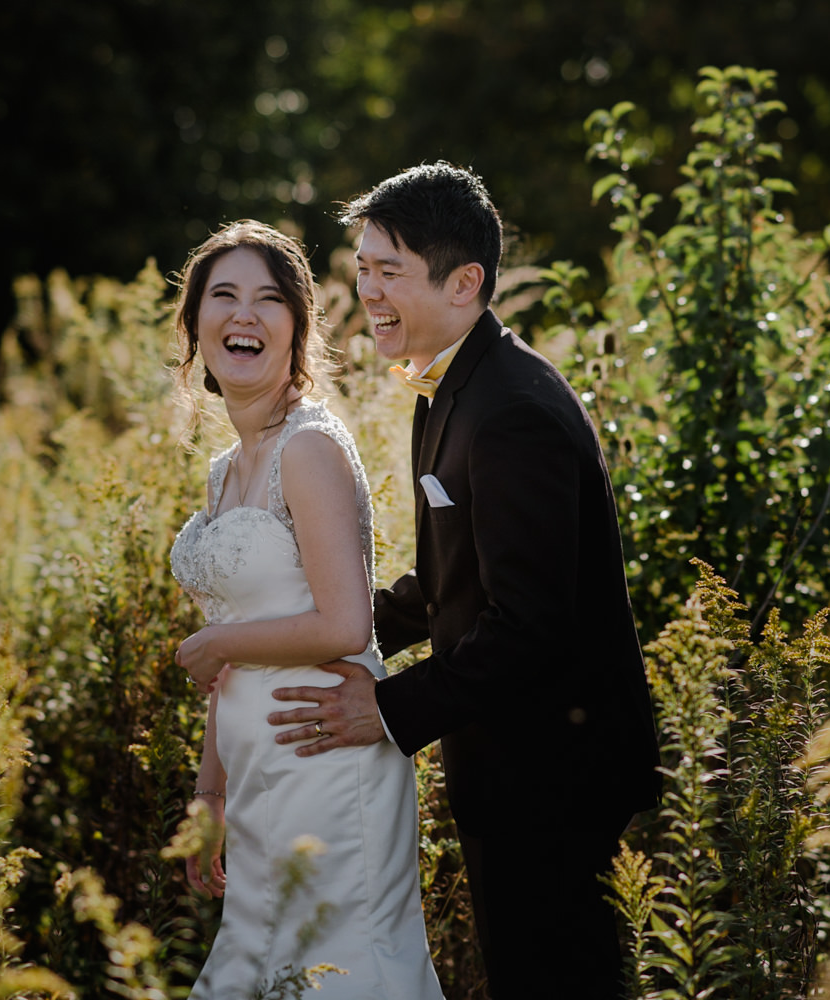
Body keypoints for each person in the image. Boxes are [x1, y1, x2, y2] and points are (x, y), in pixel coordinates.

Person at [265, 163, 662, 997]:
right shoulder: (450, 385)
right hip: (510, 765)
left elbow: (530, 623)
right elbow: (456, 580)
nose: (366, 291)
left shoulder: (513, 408)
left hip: (557, 774)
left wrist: (386, 708)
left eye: (389, 272)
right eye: (362, 267)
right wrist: (342, 621)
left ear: (465, 281)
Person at [168, 220, 446, 1000]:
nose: (243, 316)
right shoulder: (224, 471)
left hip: (328, 761)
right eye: (223, 297)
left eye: (267, 300)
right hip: (254, 774)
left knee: (336, 974)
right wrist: (210, 794)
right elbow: (232, 665)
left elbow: (345, 625)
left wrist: (219, 640)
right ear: (196, 324)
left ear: (298, 326)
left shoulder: (310, 449)